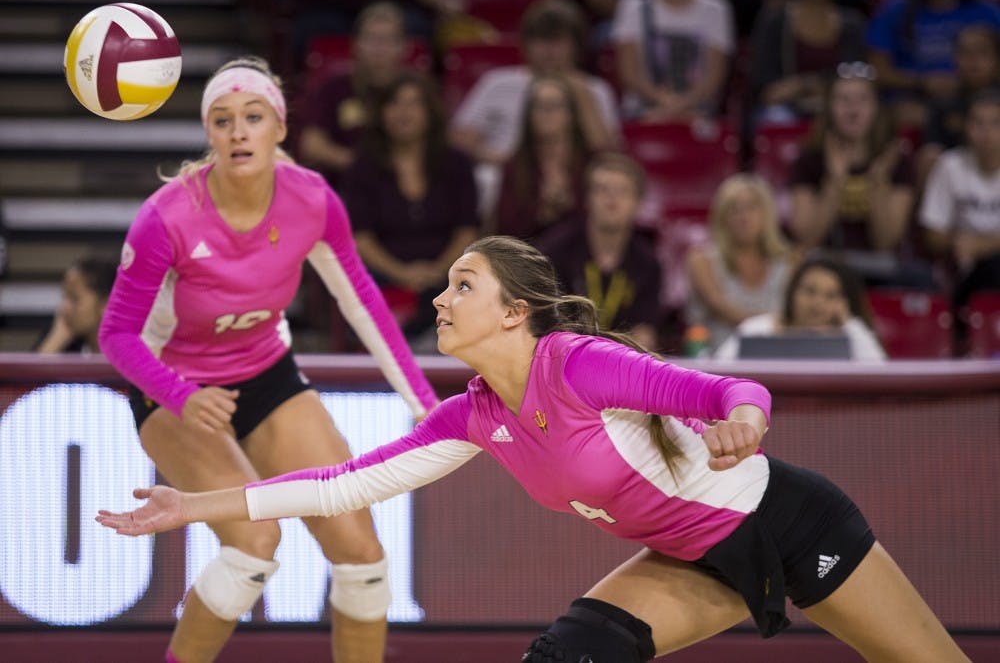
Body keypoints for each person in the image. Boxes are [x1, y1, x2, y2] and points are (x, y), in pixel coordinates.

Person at [98, 236, 968, 663]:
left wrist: (747, 419)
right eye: (442, 287)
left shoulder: (579, 365)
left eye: (461, 287)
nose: (440, 300)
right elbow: (335, 486)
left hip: (788, 519)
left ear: (514, 314)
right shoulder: (472, 414)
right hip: (692, 559)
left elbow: (723, 391)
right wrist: (191, 507)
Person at [97, 56, 438, 663]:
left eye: (253, 117)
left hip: (266, 373)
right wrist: (180, 395)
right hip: (175, 385)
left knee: (363, 556)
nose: (238, 132)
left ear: (279, 129)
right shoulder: (167, 216)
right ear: (210, 135)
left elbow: (361, 299)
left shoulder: (312, 199)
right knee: (254, 544)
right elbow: (116, 336)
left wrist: (422, 402)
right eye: (223, 120)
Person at [339, 72, 480, 348]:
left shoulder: (457, 163)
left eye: (414, 104)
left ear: (430, 112)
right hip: (382, 272)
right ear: (381, 113)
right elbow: (361, 238)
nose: (404, 113)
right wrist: (402, 273)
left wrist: (439, 272)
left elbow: (467, 231)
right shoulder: (363, 167)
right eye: (395, 104)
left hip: (446, 272)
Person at [787, 64, 922, 285]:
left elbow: (886, 243)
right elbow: (807, 239)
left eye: (862, 100)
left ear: (877, 107)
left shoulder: (896, 160)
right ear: (829, 108)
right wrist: (835, 180)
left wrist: (878, 183)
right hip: (823, 267)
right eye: (843, 100)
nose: (853, 109)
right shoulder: (808, 159)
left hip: (879, 269)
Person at [449, 0, 620, 165]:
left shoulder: (595, 89)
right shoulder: (498, 83)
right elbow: (461, 139)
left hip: (574, 179)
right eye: (540, 40)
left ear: (576, 45)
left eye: (558, 41)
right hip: (500, 170)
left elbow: (607, 154)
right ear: (525, 44)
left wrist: (582, 95)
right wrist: (504, 162)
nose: (549, 51)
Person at [535, 152, 662, 350]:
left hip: (620, 364)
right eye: (602, 190)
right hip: (562, 356)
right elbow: (541, 321)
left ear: (637, 203)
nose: (611, 199)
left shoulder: (647, 263)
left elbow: (644, 332)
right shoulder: (555, 250)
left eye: (622, 191)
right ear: (588, 199)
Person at [297, 1, 411, 188]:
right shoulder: (334, 87)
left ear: (404, 46)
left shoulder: (415, 91)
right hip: (347, 186)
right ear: (356, 44)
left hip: (404, 186)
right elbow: (311, 144)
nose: (379, 48)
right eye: (372, 39)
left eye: (389, 39)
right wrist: (360, 166)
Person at [919, 88, 1000, 349]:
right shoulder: (949, 166)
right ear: (965, 127)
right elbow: (932, 234)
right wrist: (960, 243)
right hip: (963, 272)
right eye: (978, 123)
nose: (986, 133)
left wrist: (983, 245)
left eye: (995, 123)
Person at [685, 174, 797, 353]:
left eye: (751, 208)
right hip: (718, 360)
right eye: (734, 209)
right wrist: (772, 323)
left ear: (766, 214)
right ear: (722, 216)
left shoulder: (789, 261)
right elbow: (722, 310)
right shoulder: (702, 260)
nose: (743, 217)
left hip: (777, 357)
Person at [866, 0, 1000, 129]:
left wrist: (967, 81)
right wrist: (922, 82)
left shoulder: (987, 13)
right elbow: (876, 70)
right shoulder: (897, 8)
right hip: (912, 99)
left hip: (976, 100)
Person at [714, 256, 887, 361]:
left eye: (831, 295)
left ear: (844, 303)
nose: (817, 303)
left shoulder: (853, 335)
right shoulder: (759, 328)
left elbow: (880, 375)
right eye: (809, 291)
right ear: (792, 293)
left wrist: (849, 324)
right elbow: (718, 371)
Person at [490, 74, 596, 240]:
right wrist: (541, 212)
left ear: (571, 114)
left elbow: (603, 221)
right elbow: (505, 228)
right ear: (529, 116)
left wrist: (569, 205)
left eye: (554, 105)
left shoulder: (592, 162)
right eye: (539, 106)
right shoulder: (515, 166)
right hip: (530, 257)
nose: (546, 113)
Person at [610, 0, 735, 121]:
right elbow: (629, 73)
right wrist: (664, 101)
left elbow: (714, 77)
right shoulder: (632, 5)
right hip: (643, 112)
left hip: (698, 111)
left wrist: (678, 107)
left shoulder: (716, 8)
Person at [748, 0, 868, 125]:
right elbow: (766, 90)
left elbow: (857, 81)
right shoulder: (774, 22)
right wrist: (807, 85)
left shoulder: (853, 25)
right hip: (786, 107)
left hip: (837, 106)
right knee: (776, 116)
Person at [917, 24, 1000, 182]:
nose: (973, 60)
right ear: (955, 58)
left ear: (996, 58)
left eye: (982, 52)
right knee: (928, 157)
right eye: (965, 53)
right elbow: (932, 150)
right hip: (956, 181)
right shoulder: (943, 103)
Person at [34, 256, 117, 354]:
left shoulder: (131, 350)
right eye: (65, 297)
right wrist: (55, 341)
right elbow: (30, 369)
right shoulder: (66, 343)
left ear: (106, 304)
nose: (64, 308)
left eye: (74, 299)